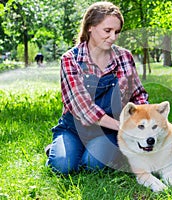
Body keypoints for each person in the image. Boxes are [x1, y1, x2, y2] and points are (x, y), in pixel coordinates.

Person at [46, 2, 148, 175]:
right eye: (107, 31)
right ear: (90, 28)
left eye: (117, 32)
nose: (113, 37)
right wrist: (125, 127)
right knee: (62, 166)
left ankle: (99, 151)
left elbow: (138, 95)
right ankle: (58, 149)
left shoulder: (124, 57)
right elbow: (84, 109)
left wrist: (146, 122)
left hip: (108, 131)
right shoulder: (71, 59)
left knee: (93, 165)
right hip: (74, 128)